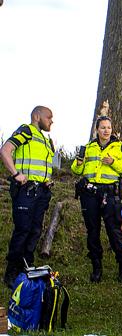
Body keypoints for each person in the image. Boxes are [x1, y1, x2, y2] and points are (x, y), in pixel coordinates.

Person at [71, 116, 122, 283]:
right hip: (89, 194)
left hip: (110, 194)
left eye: (109, 127)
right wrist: (79, 161)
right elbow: (77, 170)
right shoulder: (89, 147)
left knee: (114, 231)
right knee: (92, 231)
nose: (106, 130)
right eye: (103, 127)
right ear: (97, 129)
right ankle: (96, 267)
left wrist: (113, 162)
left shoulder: (119, 147)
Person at [1, 106, 55, 289]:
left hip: (41, 192)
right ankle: (11, 272)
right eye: (49, 117)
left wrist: (46, 181)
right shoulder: (26, 131)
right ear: (36, 116)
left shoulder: (45, 139)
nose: (51, 121)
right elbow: (5, 150)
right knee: (22, 230)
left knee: (34, 231)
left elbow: (40, 166)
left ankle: (27, 269)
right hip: (25, 191)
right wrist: (16, 174)